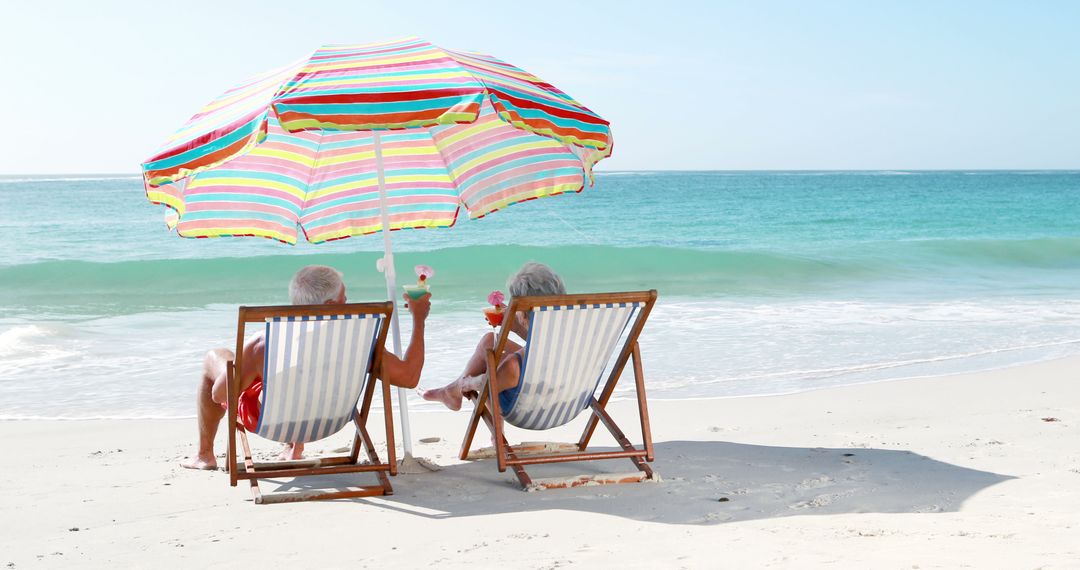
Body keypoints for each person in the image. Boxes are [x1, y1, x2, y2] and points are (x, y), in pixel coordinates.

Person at [181, 265, 430, 470]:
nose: (348, 302)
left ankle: (205, 455)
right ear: (332, 305)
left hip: (272, 423)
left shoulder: (265, 343)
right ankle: (294, 445)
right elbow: (409, 377)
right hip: (331, 420)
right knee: (303, 374)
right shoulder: (361, 342)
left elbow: (220, 395)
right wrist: (419, 320)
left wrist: (237, 366)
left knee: (216, 357)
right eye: (345, 298)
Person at [421, 262, 564, 411]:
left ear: (524, 312)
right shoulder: (572, 336)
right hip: (566, 401)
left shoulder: (514, 365)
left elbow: (489, 384)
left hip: (528, 405)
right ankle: (451, 393)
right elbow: (542, 345)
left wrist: (467, 383)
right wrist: (515, 326)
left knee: (489, 362)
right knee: (489, 341)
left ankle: (453, 392)